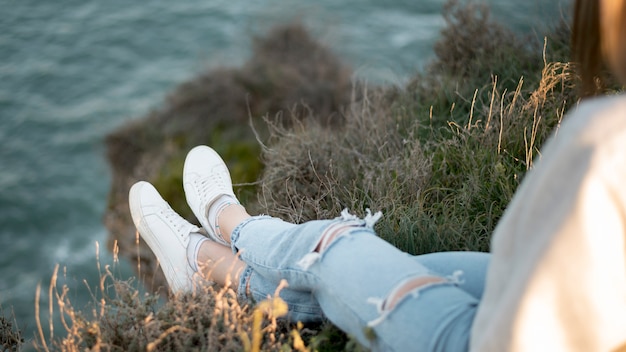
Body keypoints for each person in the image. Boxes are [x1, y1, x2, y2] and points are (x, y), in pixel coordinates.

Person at [128, 0, 626, 350]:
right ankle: (209, 267)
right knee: (396, 272)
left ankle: (225, 229)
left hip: (484, 342)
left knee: (338, 248)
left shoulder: (607, 136)